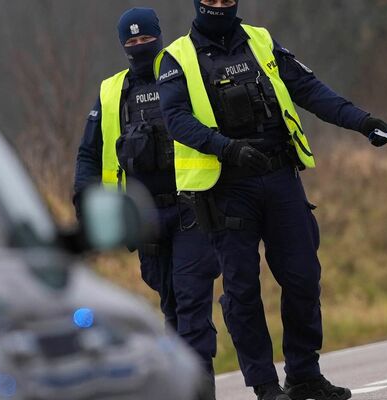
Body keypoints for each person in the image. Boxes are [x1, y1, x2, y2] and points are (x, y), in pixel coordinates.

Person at [155, 1, 387, 399]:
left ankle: (303, 374)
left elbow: (308, 90)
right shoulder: (175, 58)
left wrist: (364, 122)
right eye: (210, 1)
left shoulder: (262, 41)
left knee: (303, 277)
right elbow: (176, 118)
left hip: (280, 177)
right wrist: (226, 148)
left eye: (226, 0)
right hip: (226, 187)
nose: (220, 6)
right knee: (243, 290)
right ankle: (266, 387)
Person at [72, 7, 221, 392]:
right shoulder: (112, 92)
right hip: (146, 217)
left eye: (146, 39)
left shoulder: (183, 75)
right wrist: (85, 200)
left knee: (191, 302)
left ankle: (200, 386)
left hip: (191, 207)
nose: (140, 46)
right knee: (170, 305)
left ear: (159, 36)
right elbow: (89, 154)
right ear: (123, 45)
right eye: (132, 41)